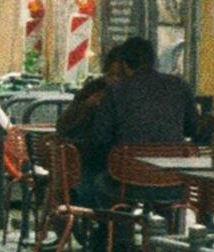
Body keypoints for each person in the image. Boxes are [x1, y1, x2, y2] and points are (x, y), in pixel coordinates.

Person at [56, 36, 195, 227]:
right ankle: (168, 243)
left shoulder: (116, 91)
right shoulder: (180, 86)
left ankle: (115, 244)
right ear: (154, 62)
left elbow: (100, 138)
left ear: (124, 64)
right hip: (172, 183)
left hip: (126, 182)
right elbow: (194, 130)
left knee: (102, 185)